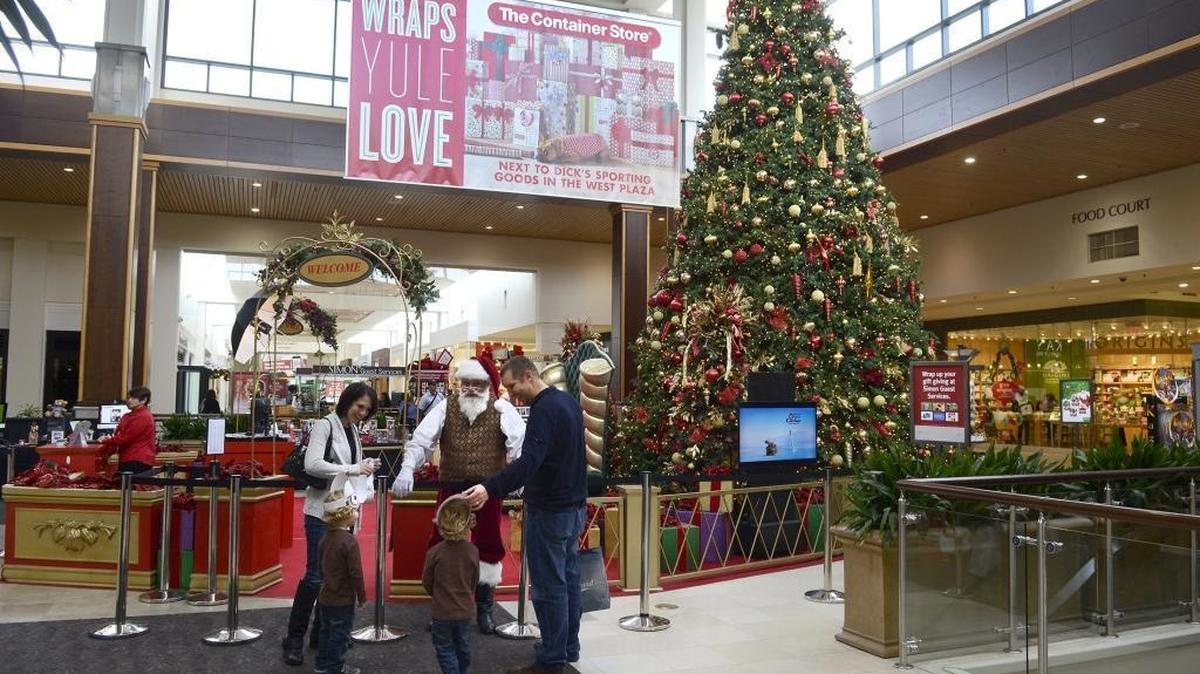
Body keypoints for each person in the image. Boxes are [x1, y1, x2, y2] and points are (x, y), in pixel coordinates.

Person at [462, 356, 587, 674]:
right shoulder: (567, 403)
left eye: (513, 386)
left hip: (551, 511)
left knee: (549, 587)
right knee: (568, 580)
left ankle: (551, 658)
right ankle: (566, 647)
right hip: (573, 508)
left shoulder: (545, 408)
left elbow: (529, 461)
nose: (513, 395)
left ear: (529, 376)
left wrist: (490, 488)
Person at [393, 357, 524, 633]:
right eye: (466, 383)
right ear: (459, 384)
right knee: (442, 542)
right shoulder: (445, 407)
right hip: (451, 486)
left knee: (488, 544)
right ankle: (443, 607)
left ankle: (484, 607)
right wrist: (406, 468)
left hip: (488, 490)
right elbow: (421, 440)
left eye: (477, 384)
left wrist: (521, 478)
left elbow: (519, 445)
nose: (471, 389)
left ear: (489, 384)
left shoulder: (503, 409)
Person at [282, 382, 382, 667]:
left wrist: (364, 467)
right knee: (315, 576)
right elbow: (313, 464)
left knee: (333, 578)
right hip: (320, 512)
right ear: (347, 400)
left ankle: (320, 635)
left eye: (367, 409)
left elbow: (349, 465)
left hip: (344, 511)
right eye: (359, 405)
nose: (362, 412)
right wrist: (352, 468)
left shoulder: (351, 430)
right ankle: (294, 638)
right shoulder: (325, 425)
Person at [423, 495, 479, 674]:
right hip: (464, 610)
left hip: (441, 612)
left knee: (445, 649)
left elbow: (427, 580)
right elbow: (474, 580)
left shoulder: (435, 552)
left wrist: (437, 594)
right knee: (463, 647)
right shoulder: (473, 551)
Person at [315, 489, 367, 674]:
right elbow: (356, 573)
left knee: (325, 632)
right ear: (344, 515)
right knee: (339, 635)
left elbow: (320, 568)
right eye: (353, 510)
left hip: (326, 596)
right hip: (343, 599)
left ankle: (321, 665)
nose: (356, 512)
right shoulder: (349, 542)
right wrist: (361, 596)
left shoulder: (324, 540)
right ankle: (335, 668)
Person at [99, 387, 157, 474]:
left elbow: (125, 438)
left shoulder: (143, 416)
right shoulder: (129, 415)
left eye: (133, 398)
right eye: (128, 398)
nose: (129, 400)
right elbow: (120, 434)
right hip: (129, 457)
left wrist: (106, 440)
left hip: (136, 459)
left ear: (144, 400)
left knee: (129, 486)